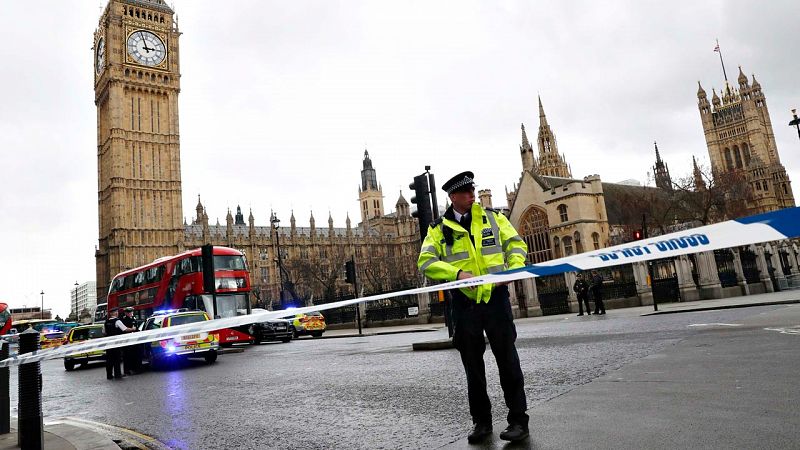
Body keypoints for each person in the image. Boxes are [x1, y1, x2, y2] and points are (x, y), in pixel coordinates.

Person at [417, 171, 530, 443]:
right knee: (472, 368)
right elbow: (426, 262)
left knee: (508, 361)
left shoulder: (494, 218)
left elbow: (516, 245)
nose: (471, 195)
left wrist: (512, 271)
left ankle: (518, 422)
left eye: (472, 190)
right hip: (464, 304)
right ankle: (481, 423)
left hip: (495, 300)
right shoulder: (437, 229)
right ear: (452, 197)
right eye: (466, 192)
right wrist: (455, 274)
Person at [104, 307, 136, 380]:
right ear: (114, 313)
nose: (117, 313)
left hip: (108, 343)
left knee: (109, 360)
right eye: (116, 312)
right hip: (116, 343)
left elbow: (104, 332)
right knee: (116, 359)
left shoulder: (106, 321)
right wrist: (133, 329)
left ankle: (109, 375)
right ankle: (117, 374)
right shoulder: (117, 321)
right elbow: (125, 329)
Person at [120, 307, 141, 375]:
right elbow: (124, 330)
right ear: (126, 313)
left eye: (131, 312)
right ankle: (127, 370)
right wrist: (132, 329)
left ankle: (135, 369)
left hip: (134, 340)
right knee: (127, 356)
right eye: (129, 312)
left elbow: (136, 328)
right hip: (127, 341)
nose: (130, 313)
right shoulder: (123, 320)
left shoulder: (134, 319)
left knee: (135, 355)